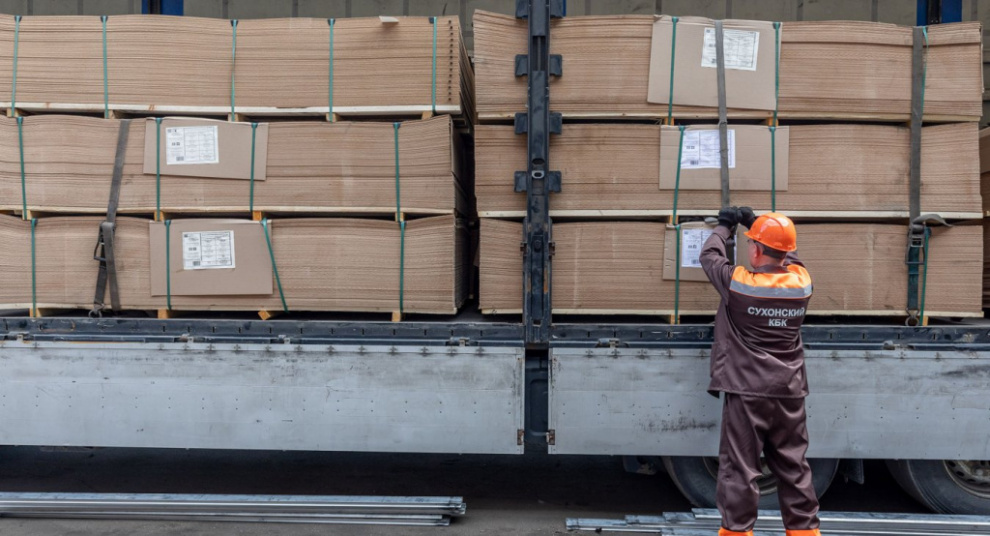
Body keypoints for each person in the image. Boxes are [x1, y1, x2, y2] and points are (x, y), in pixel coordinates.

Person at [699, 206, 820, 536]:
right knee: (794, 466)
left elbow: (709, 257)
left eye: (752, 242)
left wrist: (725, 226)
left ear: (754, 250)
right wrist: (758, 224)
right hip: (789, 390)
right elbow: (790, 256)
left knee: (740, 469)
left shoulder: (740, 285)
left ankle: (737, 533)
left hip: (748, 391)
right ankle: (805, 532)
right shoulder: (802, 283)